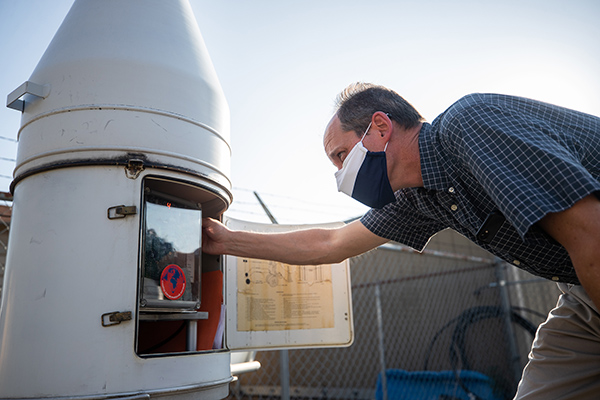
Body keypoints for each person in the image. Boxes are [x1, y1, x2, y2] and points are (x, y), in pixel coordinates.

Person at [203, 82, 600, 399]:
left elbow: (591, 237)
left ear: (379, 127)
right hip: (583, 291)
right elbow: (330, 244)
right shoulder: (416, 197)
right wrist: (226, 241)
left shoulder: (471, 123)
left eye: (341, 155)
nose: (340, 174)